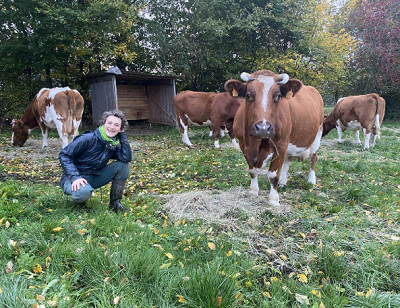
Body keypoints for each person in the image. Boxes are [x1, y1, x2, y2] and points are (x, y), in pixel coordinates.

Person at [59, 110, 132, 212]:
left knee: (123, 166)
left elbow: (126, 158)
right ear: (103, 123)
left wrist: (122, 136)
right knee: (82, 192)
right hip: (72, 178)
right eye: (109, 123)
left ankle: (115, 204)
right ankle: (80, 205)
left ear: (120, 129)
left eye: (116, 125)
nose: (112, 127)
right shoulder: (87, 138)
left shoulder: (112, 143)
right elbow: (64, 155)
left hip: (93, 176)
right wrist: (75, 177)